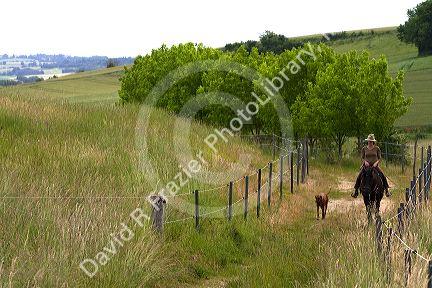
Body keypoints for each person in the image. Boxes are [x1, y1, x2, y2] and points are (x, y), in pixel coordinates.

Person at [352, 134, 390, 198]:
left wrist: (376, 163)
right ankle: (356, 191)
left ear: (373, 141)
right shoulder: (364, 148)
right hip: (366, 166)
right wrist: (365, 162)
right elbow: (362, 157)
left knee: (382, 175)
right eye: (369, 141)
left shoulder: (377, 148)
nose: (370, 142)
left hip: (374, 166)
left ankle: (386, 190)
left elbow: (380, 158)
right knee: (359, 175)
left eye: (371, 141)